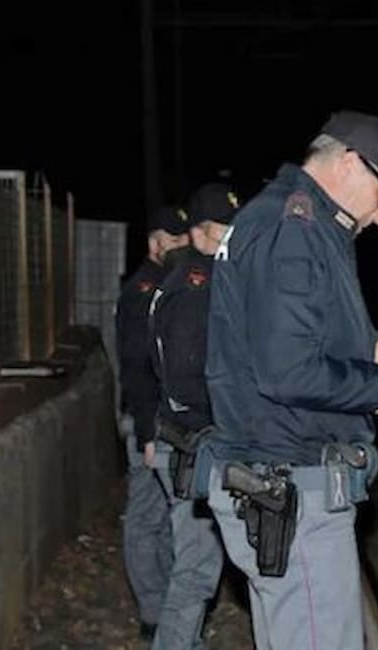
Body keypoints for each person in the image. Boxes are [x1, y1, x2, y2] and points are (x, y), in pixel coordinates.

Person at [199, 110, 378, 648]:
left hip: (281, 478)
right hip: (292, 483)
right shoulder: (293, 229)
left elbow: (309, 354)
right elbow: (288, 370)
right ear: (349, 163)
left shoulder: (294, 223)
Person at [146, 184, 238, 648]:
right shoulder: (197, 286)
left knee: (198, 564)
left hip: (186, 440)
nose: (233, 242)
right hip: (190, 444)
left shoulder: (192, 278)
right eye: (225, 232)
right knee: (197, 569)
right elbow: (186, 376)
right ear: (200, 234)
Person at [116, 205, 188, 640]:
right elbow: (135, 365)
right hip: (149, 424)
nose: (184, 248)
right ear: (155, 243)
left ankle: (164, 610)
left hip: (161, 422)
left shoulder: (168, 284)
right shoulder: (144, 290)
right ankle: (153, 614)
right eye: (176, 241)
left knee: (163, 518)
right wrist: (146, 430)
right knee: (146, 517)